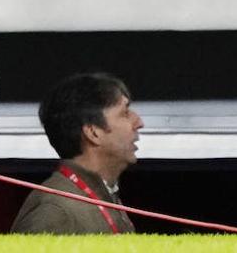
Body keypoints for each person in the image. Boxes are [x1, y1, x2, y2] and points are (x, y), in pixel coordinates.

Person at [11, 72, 143, 234]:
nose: (139, 123)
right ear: (93, 133)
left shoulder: (102, 196)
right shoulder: (55, 212)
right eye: (125, 113)